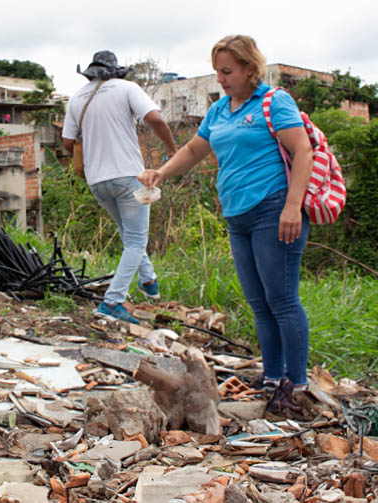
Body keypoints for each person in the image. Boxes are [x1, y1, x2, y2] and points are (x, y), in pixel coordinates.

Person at [138, 35, 313, 392]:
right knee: (259, 303)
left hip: (273, 209)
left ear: (250, 68)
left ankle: (296, 385)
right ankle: (273, 377)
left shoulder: (272, 102)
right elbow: (192, 150)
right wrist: (161, 172)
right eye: (217, 71)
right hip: (238, 217)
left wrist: (293, 206)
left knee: (282, 299)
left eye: (228, 71)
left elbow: (303, 151)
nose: (220, 78)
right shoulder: (219, 110)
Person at [62, 50, 177, 324]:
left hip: (97, 181)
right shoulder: (127, 88)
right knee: (137, 240)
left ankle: (148, 280)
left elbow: (68, 142)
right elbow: (156, 119)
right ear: (116, 71)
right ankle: (113, 301)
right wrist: (173, 149)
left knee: (129, 235)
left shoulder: (77, 98)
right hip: (128, 176)